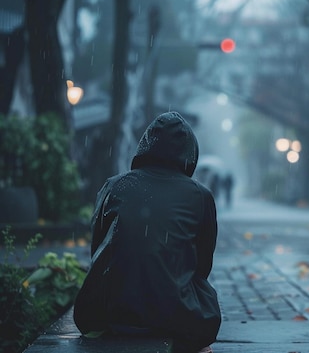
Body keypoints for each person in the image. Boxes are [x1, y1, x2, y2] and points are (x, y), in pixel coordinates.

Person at [73, 111, 221, 353]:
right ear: (190, 153)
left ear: (144, 146)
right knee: (202, 292)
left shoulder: (114, 185)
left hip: (108, 314)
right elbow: (202, 265)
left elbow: (98, 248)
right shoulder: (200, 195)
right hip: (174, 315)